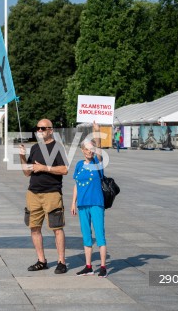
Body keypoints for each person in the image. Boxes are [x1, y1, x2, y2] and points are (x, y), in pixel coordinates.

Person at [19, 119, 68, 274]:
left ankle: (61, 262)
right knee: (34, 228)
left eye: (43, 128)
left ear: (50, 130)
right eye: (38, 128)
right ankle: (41, 260)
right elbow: (27, 172)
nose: (40, 130)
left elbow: (64, 169)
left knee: (57, 228)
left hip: (52, 193)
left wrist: (44, 168)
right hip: (33, 192)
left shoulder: (57, 147)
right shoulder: (34, 148)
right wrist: (22, 157)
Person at [71, 121, 108, 278]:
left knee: (100, 234)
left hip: (96, 204)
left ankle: (103, 267)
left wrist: (97, 132)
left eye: (91, 149)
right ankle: (88, 266)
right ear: (82, 150)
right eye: (86, 149)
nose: (89, 152)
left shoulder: (97, 163)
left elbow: (99, 150)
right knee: (86, 235)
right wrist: (73, 202)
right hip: (82, 204)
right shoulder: (79, 165)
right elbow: (76, 185)